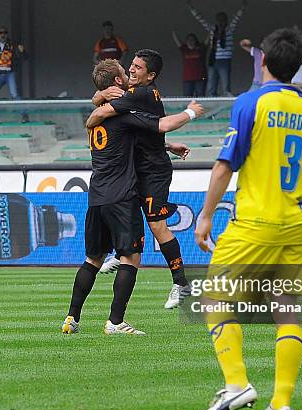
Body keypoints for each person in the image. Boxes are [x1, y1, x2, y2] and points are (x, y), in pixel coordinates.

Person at [194, 27, 302, 410]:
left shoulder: (250, 102)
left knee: (215, 298)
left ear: (262, 60)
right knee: (285, 307)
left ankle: (237, 386)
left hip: (255, 222)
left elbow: (224, 165)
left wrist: (205, 215)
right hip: (295, 223)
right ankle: (280, 404)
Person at [61, 59, 203, 335]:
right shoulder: (123, 114)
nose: (129, 74)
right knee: (131, 257)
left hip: (96, 197)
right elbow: (162, 124)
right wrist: (191, 112)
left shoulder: (100, 118)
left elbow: (132, 137)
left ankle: (71, 318)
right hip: (121, 196)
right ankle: (115, 322)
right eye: (125, 73)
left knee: (93, 259)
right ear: (116, 83)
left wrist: (167, 148)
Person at [89, 49, 194, 310]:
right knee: (126, 212)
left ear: (151, 75)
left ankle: (181, 283)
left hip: (153, 172)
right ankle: (120, 252)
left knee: (157, 225)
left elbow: (97, 115)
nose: (132, 70)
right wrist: (168, 146)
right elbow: (142, 133)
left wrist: (191, 112)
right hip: (141, 167)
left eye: (137, 67)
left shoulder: (140, 94)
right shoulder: (141, 94)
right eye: (131, 66)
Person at [187, 0, 248, 96]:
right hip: (213, 60)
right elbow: (201, 19)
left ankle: (227, 105)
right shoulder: (212, 29)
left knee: (225, 86)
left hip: (224, 61)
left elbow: (237, 18)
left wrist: (242, 8)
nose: (221, 22)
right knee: (211, 86)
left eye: (223, 20)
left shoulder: (229, 29)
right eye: (219, 20)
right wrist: (191, 9)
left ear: (226, 21)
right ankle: (212, 104)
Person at [172, 31, 207, 96]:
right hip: (187, 78)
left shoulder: (201, 48)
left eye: (192, 40)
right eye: (188, 40)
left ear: (195, 41)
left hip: (201, 78)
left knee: (200, 97)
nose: (190, 41)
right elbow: (177, 41)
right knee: (187, 97)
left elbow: (208, 40)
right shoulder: (184, 49)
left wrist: (212, 30)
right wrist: (173, 31)